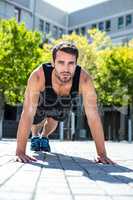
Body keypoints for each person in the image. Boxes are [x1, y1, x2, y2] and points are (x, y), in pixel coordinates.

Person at [16, 41, 114, 164]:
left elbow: (93, 116)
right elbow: (27, 113)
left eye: (71, 63)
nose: (66, 69)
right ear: (53, 63)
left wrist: (102, 154)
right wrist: (20, 152)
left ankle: (44, 136)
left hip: (64, 100)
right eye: (61, 63)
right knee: (36, 118)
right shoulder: (38, 76)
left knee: (54, 120)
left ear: (76, 64)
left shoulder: (84, 79)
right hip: (43, 99)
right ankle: (35, 135)